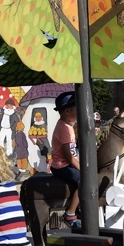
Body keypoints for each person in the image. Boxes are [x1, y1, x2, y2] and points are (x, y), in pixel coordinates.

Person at [50, 91, 81, 228]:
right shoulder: (64, 129)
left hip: (66, 163)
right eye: (77, 109)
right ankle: (70, 213)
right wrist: (82, 169)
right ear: (68, 111)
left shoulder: (67, 126)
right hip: (61, 165)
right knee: (84, 181)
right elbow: (68, 156)